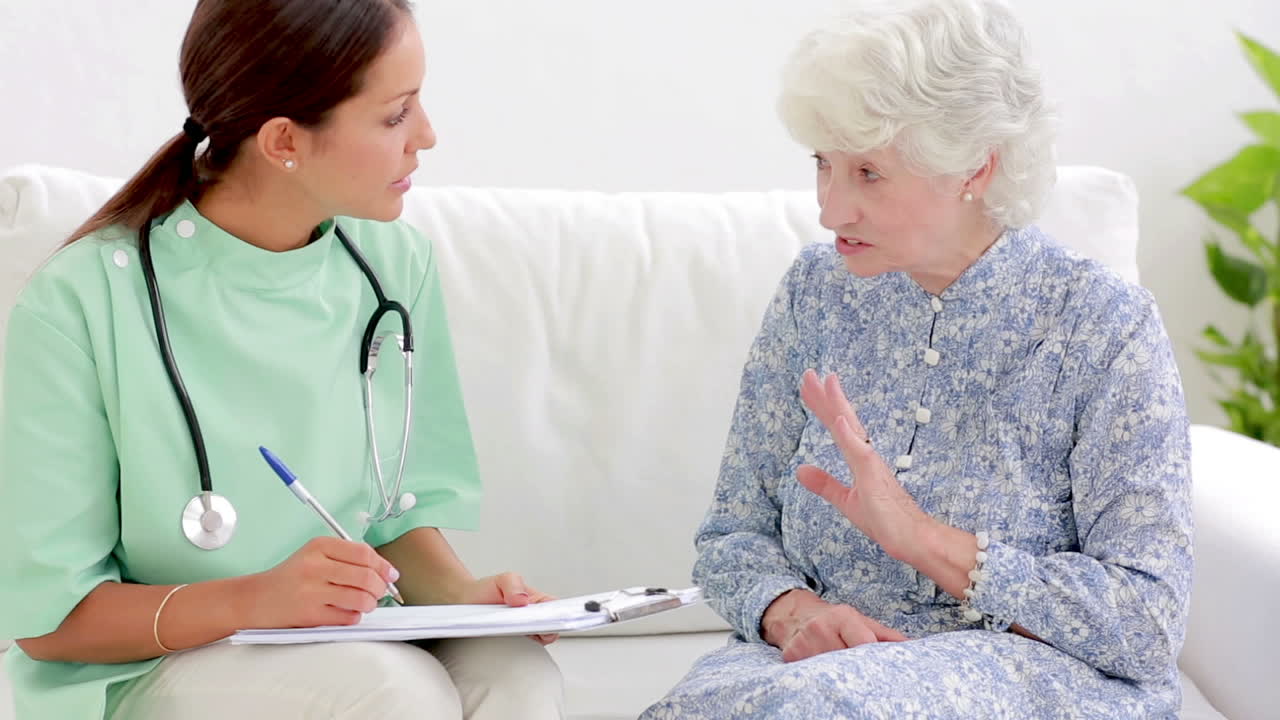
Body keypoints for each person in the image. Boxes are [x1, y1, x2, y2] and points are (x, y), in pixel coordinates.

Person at [0, 1, 564, 718]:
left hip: (350, 640)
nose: (426, 136)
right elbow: (51, 621)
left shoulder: (393, 265)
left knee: (514, 673)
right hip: (149, 666)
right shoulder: (80, 302)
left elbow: (395, 514)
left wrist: (464, 599)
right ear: (283, 141)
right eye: (395, 115)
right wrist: (253, 600)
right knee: (393, 693)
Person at [643, 0, 1193, 718]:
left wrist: (923, 538)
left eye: (868, 173)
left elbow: (1145, 623)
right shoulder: (818, 292)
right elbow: (732, 535)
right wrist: (795, 614)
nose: (830, 209)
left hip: (1027, 675)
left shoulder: (1103, 326)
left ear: (975, 166)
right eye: (823, 165)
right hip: (805, 676)